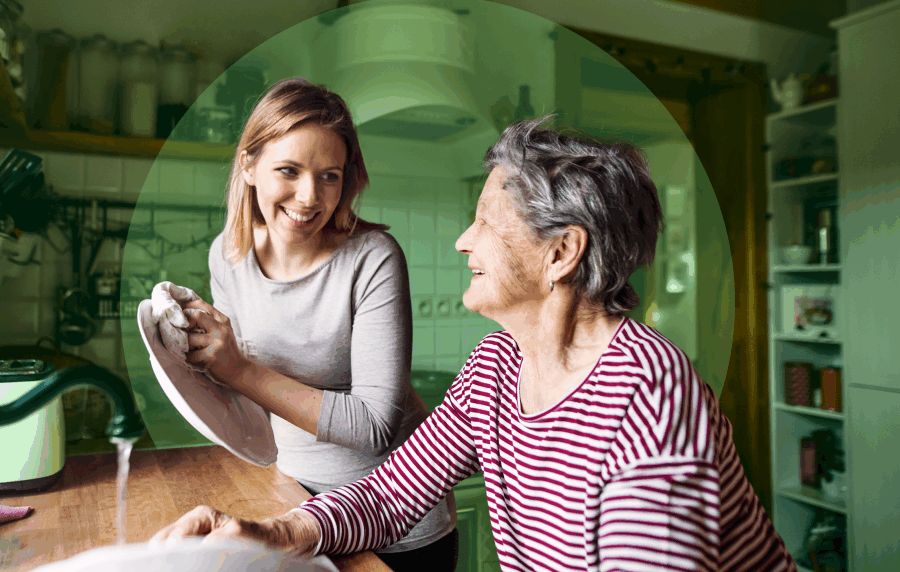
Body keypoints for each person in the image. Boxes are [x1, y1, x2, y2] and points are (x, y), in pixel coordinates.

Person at [154, 117, 796, 572]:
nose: (463, 241)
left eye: (485, 221)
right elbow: (392, 493)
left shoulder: (649, 395)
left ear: (561, 253)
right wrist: (271, 532)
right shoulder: (497, 365)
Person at [152, 77, 457, 571]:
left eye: (330, 175)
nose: (310, 196)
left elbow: (375, 426)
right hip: (292, 502)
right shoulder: (228, 256)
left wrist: (239, 370)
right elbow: (251, 403)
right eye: (288, 170)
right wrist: (196, 354)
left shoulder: (373, 259)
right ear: (248, 166)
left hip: (394, 528)